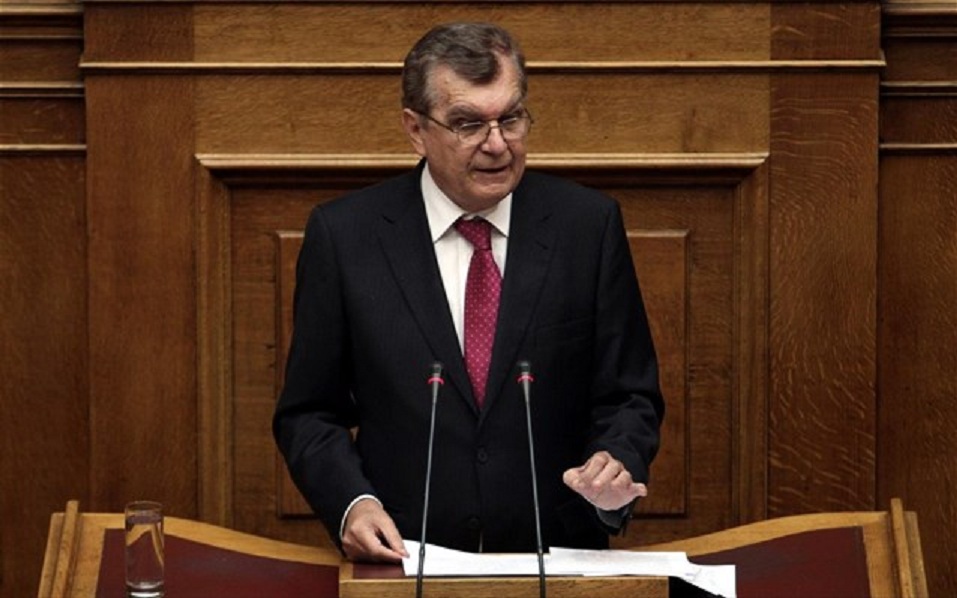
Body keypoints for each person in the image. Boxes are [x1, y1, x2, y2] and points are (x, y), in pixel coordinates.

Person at [273, 22, 664, 564]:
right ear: (416, 129)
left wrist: (616, 461)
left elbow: (630, 395)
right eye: (468, 124)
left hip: (555, 556)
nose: (497, 144)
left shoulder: (586, 226)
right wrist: (353, 505)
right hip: (406, 557)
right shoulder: (346, 237)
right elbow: (309, 412)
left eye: (511, 118)